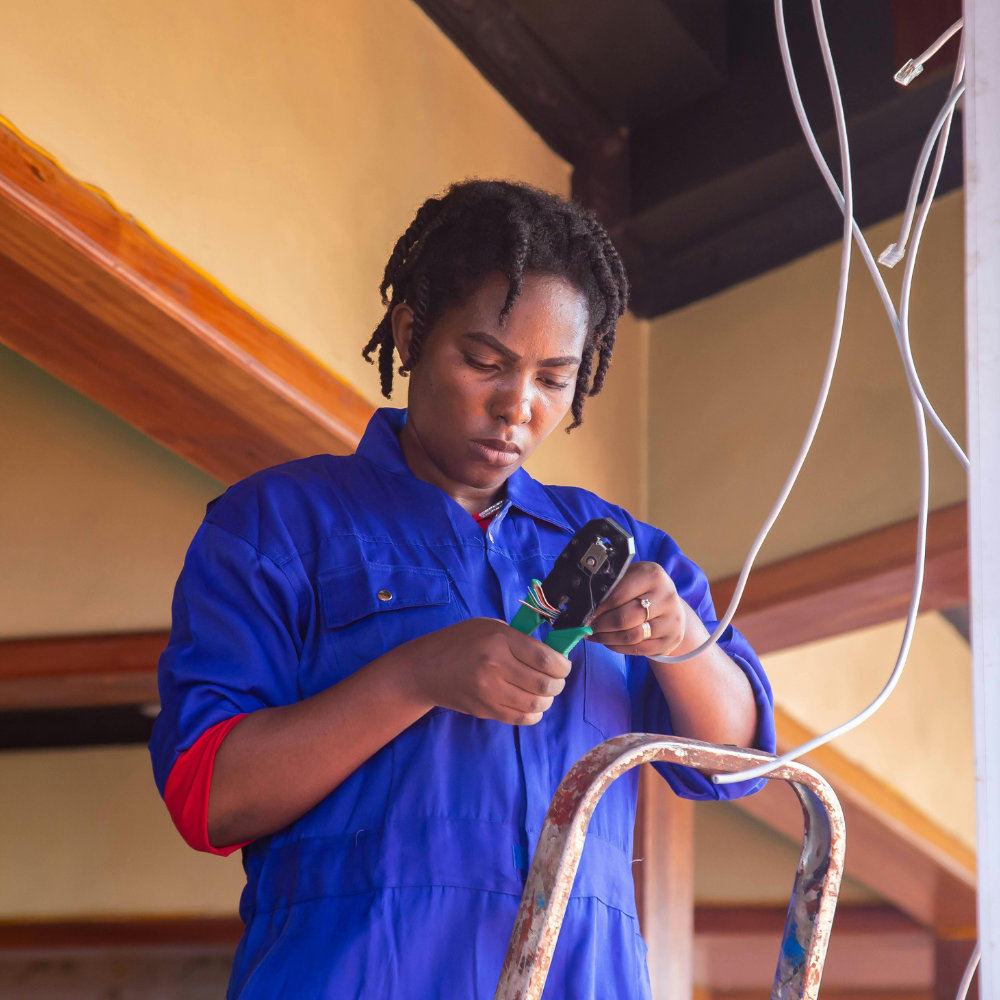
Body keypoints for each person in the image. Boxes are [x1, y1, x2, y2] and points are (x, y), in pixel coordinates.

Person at [150, 179, 775, 999]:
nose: (517, 406)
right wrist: (415, 677)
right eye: (485, 362)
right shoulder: (277, 525)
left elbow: (737, 765)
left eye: (555, 379)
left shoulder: (620, 550)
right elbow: (209, 797)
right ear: (410, 335)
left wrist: (684, 641)